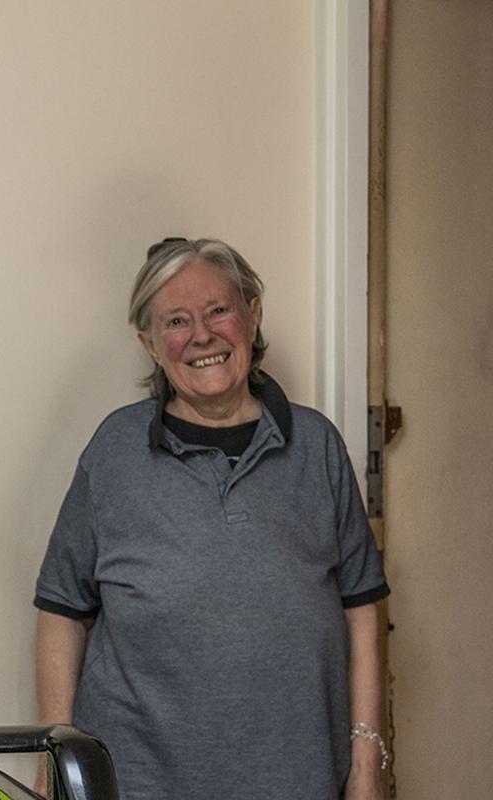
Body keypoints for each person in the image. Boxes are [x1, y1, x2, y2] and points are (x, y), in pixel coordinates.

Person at [34, 238, 390, 799]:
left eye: (218, 310)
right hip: (138, 783)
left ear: (253, 314)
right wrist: (58, 759)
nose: (201, 335)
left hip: (298, 780)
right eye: (176, 321)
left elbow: (361, 610)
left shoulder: (317, 446)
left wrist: (367, 758)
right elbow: (61, 610)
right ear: (150, 344)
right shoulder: (114, 451)